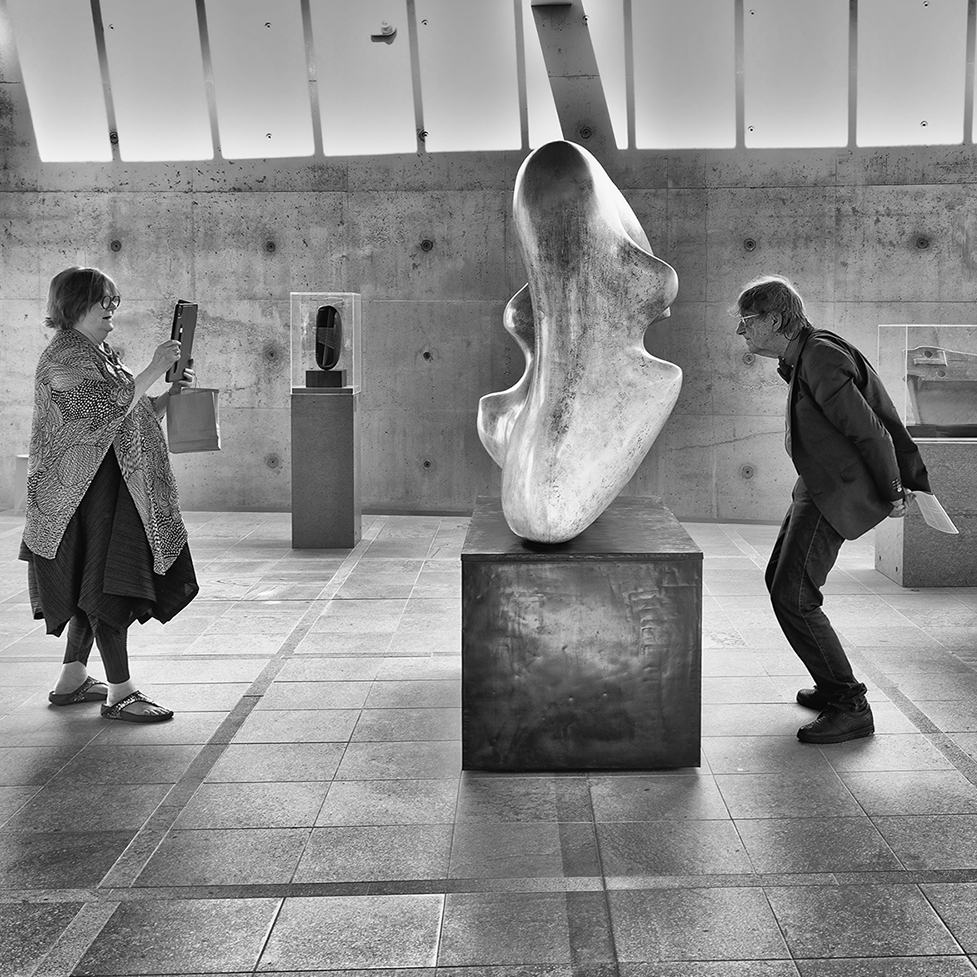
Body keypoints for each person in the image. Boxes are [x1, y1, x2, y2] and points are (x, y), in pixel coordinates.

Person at [733, 275, 931, 744]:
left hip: (834, 489)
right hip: (817, 483)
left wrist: (894, 489)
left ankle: (849, 705)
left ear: (774, 320)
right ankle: (831, 684)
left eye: (747, 320)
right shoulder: (806, 354)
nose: (741, 331)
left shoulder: (820, 355)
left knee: (795, 594)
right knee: (780, 581)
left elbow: (870, 430)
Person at [19, 266, 199, 723]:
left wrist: (171, 392)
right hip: (80, 497)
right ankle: (121, 691)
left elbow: (131, 413)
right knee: (107, 585)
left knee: (92, 583)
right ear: (76, 304)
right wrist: (154, 368)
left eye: (113, 302)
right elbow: (100, 410)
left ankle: (72, 679)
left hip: (107, 489)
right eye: (104, 301)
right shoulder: (63, 357)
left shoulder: (99, 353)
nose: (111, 310)